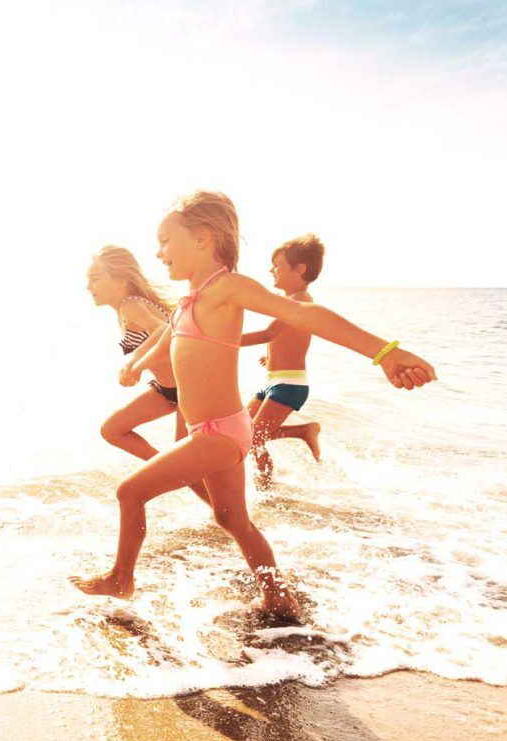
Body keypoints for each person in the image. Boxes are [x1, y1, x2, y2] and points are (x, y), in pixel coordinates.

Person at [71, 191, 436, 618]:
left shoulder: (228, 286)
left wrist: (386, 352)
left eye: (167, 240)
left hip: (219, 433)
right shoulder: (194, 294)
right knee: (232, 520)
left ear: (203, 237)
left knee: (129, 492)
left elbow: (305, 316)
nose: (159, 252)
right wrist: (137, 364)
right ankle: (278, 595)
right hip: (215, 429)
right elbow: (168, 335)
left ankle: (120, 578)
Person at [87, 247, 209, 504]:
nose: (89, 286)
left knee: (184, 458)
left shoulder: (130, 305)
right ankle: (166, 467)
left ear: (121, 280)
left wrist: (136, 362)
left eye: (96, 278)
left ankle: (224, 513)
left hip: (187, 387)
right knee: (113, 429)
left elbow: (166, 329)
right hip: (166, 389)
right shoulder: (124, 309)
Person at [241, 234, 325, 488]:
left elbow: (268, 333)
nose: (271, 270)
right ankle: (263, 485)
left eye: (277, 265)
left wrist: (219, 340)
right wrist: (270, 356)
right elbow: (287, 339)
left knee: (253, 437)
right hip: (274, 381)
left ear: (300, 269)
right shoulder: (292, 301)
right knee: (243, 432)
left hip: (289, 385)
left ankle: (266, 489)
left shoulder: (300, 300)